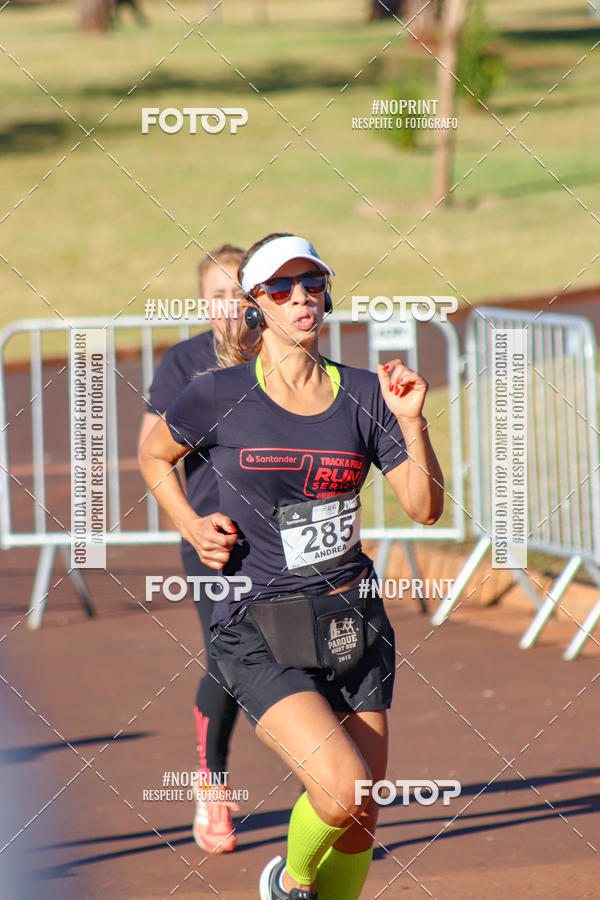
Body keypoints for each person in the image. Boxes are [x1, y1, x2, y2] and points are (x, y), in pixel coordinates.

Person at [138, 232, 444, 899]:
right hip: (256, 621)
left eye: (312, 285)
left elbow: (424, 508)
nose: (300, 299)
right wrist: (189, 522)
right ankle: (289, 880)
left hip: (349, 618)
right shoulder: (216, 394)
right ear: (257, 304)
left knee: (362, 816)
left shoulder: (367, 394)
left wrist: (413, 421)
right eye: (282, 288)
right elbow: (154, 455)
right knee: (342, 789)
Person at [138, 243, 254, 854]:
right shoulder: (184, 363)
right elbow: (150, 453)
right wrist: (190, 525)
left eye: (242, 289)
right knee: (229, 666)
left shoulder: (288, 352)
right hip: (217, 545)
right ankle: (212, 787)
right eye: (218, 294)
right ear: (203, 303)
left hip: (291, 544)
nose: (232, 304)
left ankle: (330, 794)